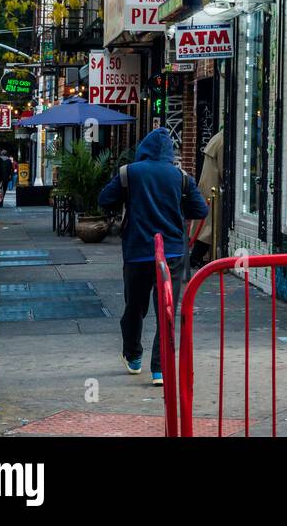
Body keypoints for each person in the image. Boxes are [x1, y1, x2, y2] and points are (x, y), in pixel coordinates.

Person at [98, 128, 209, 386]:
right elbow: (200, 208)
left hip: (137, 252)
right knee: (167, 310)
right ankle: (160, 369)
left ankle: (133, 356)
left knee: (134, 307)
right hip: (171, 253)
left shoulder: (129, 173)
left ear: (143, 149)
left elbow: (104, 199)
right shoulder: (181, 177)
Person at [192, 131, 223, 268]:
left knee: (205, 225)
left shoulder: (217, 138)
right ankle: (196, 258)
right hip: (214, 188)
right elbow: (223, 169)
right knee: (209, 226)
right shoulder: (223, 141)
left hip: (208, 186)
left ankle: (197, 257)